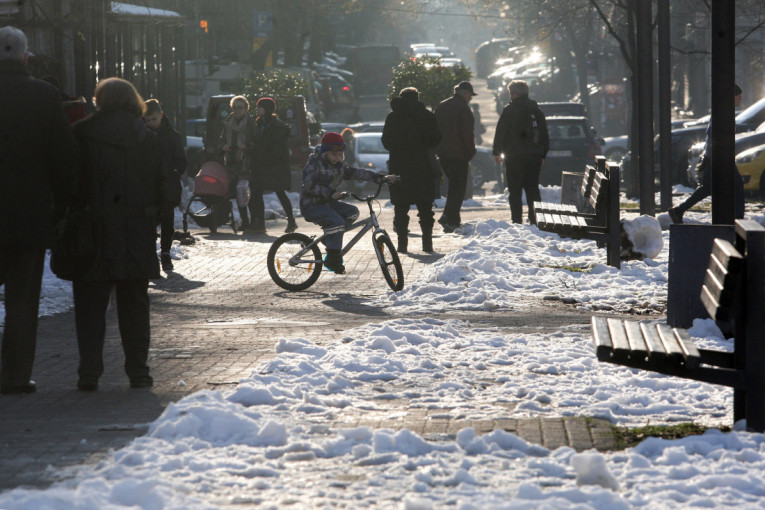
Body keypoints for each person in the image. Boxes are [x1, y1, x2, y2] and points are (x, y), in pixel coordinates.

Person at [71, 77, 178, 391]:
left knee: (89, 305)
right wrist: (152, 214)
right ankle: (138, 372)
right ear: (135, 102)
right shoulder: (150, 139)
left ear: (98, 101)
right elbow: (170, 191)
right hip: (136, 232)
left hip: (92, 231)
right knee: (134, 304)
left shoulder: (81, 135)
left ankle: (89, 373)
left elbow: (66, 182)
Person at [0, 26, 78, 395]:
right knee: (21, 298)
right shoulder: (44, 96)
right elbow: (63, 159)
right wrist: (61, 208)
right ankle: (15, 376)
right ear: (26, 57)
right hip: (26, 216)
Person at [300, 132, 398, 274]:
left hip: (328, 203)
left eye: (340, 155)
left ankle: (331, 238)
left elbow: (357, 173)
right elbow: (309, 185)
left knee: (352, 213)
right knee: (337, 223)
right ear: (325, 153)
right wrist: (331, 194)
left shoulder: (339, 166)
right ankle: (333, 260)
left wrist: (381, 178)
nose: (337, 158)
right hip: (312, 205)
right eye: (334, 155)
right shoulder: (314, 163)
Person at [668, 84, 744, 223]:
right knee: (737, 187)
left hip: (715, 157)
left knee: (708, 188)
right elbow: (712, 134)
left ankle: (678, 211)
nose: (741, 99)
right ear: (732, 97)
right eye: (739, 96)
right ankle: (738, 221)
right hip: (720, 158)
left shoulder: (722, 110)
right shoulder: (723, 112)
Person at [382, 87, 441, 253]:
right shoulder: (427, 116)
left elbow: (386, 142)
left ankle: (402, 245)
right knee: (425, 210)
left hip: (399, 169)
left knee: (401, 209)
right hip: (423, 168)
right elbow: (437, 138)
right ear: (417, 97)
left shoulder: (393, 117)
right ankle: (427, 244)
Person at [492, 79, 550, 225]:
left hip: (514, 156)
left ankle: (517, 219)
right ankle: (535, 218)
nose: (510, 96)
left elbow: (501, 132)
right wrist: (543, 154)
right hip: (534, 156)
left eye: (511, 93)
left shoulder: (509, 110)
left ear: (515, 94)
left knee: (515, 190)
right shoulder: (536, 111)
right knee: (533, 189)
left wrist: (497, 152)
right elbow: (544, 134)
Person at [144, 98, 185, 271]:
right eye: (147, 120)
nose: (151, 123)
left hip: (167, 185)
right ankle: (150, 253)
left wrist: (174, 172)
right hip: (149, 187)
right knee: (150, 220)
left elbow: (182, 161)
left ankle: (166, 253)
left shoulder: (173, 136)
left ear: (161, 116)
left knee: (167, 220)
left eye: (154, 119)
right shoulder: (142, 135)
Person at [248, 97, 297, 234]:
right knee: (256, 192)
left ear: (267, 109)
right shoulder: (258, 123)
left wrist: (265, 156)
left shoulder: (277, 125)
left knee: (279, 191)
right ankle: (259, 223)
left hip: (275, 166)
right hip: (260, 165)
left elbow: (278, 148)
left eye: (260, 107)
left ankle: (291, 221)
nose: (257, 110)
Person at [434, 81, 477, 233]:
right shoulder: (463, 109)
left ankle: (449, 217)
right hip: (459, 154)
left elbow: (435, 129)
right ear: (465, 93)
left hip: (443, 154)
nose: (470, 98)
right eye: (470, 95)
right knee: (458, 188)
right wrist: (471, 152)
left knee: (453, 186)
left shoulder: (442, 106)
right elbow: (467, 134)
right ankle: (450, 219)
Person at [219, 95, 257, 229]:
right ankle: (244, 221)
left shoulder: (251, 122)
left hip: (245, 162)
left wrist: (246, 146)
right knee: (236, 193)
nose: (237, 110)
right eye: (235, 107)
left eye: (240, 107)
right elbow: (222, 139)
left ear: (246, 109)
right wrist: (223, 146)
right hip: (231, 161)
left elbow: (256, 141)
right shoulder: (229, 121)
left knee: (246, 192)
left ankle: (253, 222)